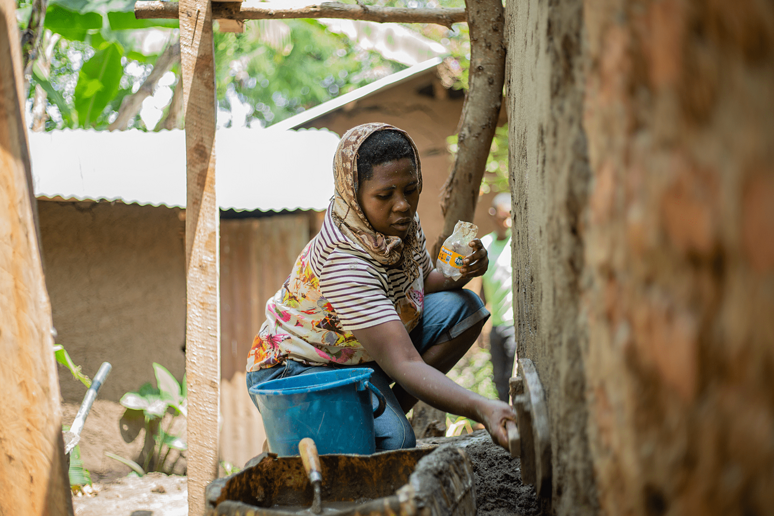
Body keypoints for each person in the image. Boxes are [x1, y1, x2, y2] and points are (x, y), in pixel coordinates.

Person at [246, 123, 516, 451]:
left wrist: (459, 272)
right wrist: (483, 407)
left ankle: (358, 419)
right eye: (385, 195)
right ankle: (296, 433)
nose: (402, 204)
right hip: (297, 368)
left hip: (352, 355)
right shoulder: (344, 261)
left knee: (464, 308)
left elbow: (421, 284)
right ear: (353, 194)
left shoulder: (398, 223)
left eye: (410, 189)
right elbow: (404, 362)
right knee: (396, 440)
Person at [479, 193, 516, 403]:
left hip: (513, 325)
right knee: (499, 380)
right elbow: (484, 285)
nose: (508, 222)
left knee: (513, 378)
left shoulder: (516, 242)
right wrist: (480, 323)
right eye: (503, 217)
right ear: (492, 215)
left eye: (510, 216)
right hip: (497, 325)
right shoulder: (486, 244)